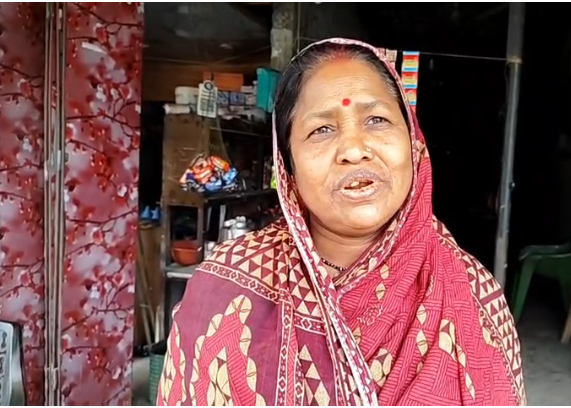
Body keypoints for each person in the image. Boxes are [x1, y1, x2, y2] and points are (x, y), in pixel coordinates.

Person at [157, 38, 526, 406]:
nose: (354, 149)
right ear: (288, 166)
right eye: (322, 129)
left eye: (377, 120)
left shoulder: (474, 292)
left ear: (413, 142)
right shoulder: (224, 291)